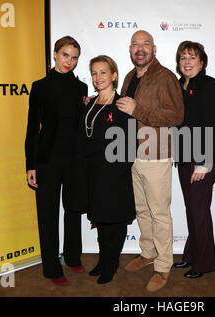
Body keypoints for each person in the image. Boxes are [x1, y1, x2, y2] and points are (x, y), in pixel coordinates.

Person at [116, 30, 184, 292]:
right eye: (136, 45)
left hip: (156, 155)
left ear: (154, 49)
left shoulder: (165, 76)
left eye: (145, 44)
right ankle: (148, 253)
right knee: (142, 210)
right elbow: (123, 110)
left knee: (159, 213)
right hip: (132, 154)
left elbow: (176, 115)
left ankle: (164, 266)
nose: (140, 49)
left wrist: (139, 110)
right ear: (130, 49)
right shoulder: (130, 76)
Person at [25, 36, 88, 286]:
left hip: (74, 159)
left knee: (73, 210)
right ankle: (51, 267)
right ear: (54, 54)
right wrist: (30, 164)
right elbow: (32, 128)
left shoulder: (81, 88)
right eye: (65, 55)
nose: (69, 62)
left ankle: (73, 257)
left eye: (74, 58)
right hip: (47, 160)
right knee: (47, 214)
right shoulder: (39, 86)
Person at [79, 55, 136, 284]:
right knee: (101, 218)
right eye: (94, 73)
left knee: (115, 219)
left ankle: (111, 264)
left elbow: (131, 142)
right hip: (93, 171)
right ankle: (103, 260)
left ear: (114, 75)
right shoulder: (90, 103)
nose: (98, 77)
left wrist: (120, 169)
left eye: (103, 72)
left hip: (114, 172)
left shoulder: (123, 103)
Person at [172, 41, 215, 278]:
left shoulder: (210, 85)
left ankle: (204, 264)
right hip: (184, 157)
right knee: (194, 209)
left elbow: (214, 124)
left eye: (192, 57)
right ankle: (191, 255)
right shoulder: (180, 86)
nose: (187, 62)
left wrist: (204, 163)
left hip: (204, 158)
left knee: (198, 210)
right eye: (183, 58)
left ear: (202, 62)